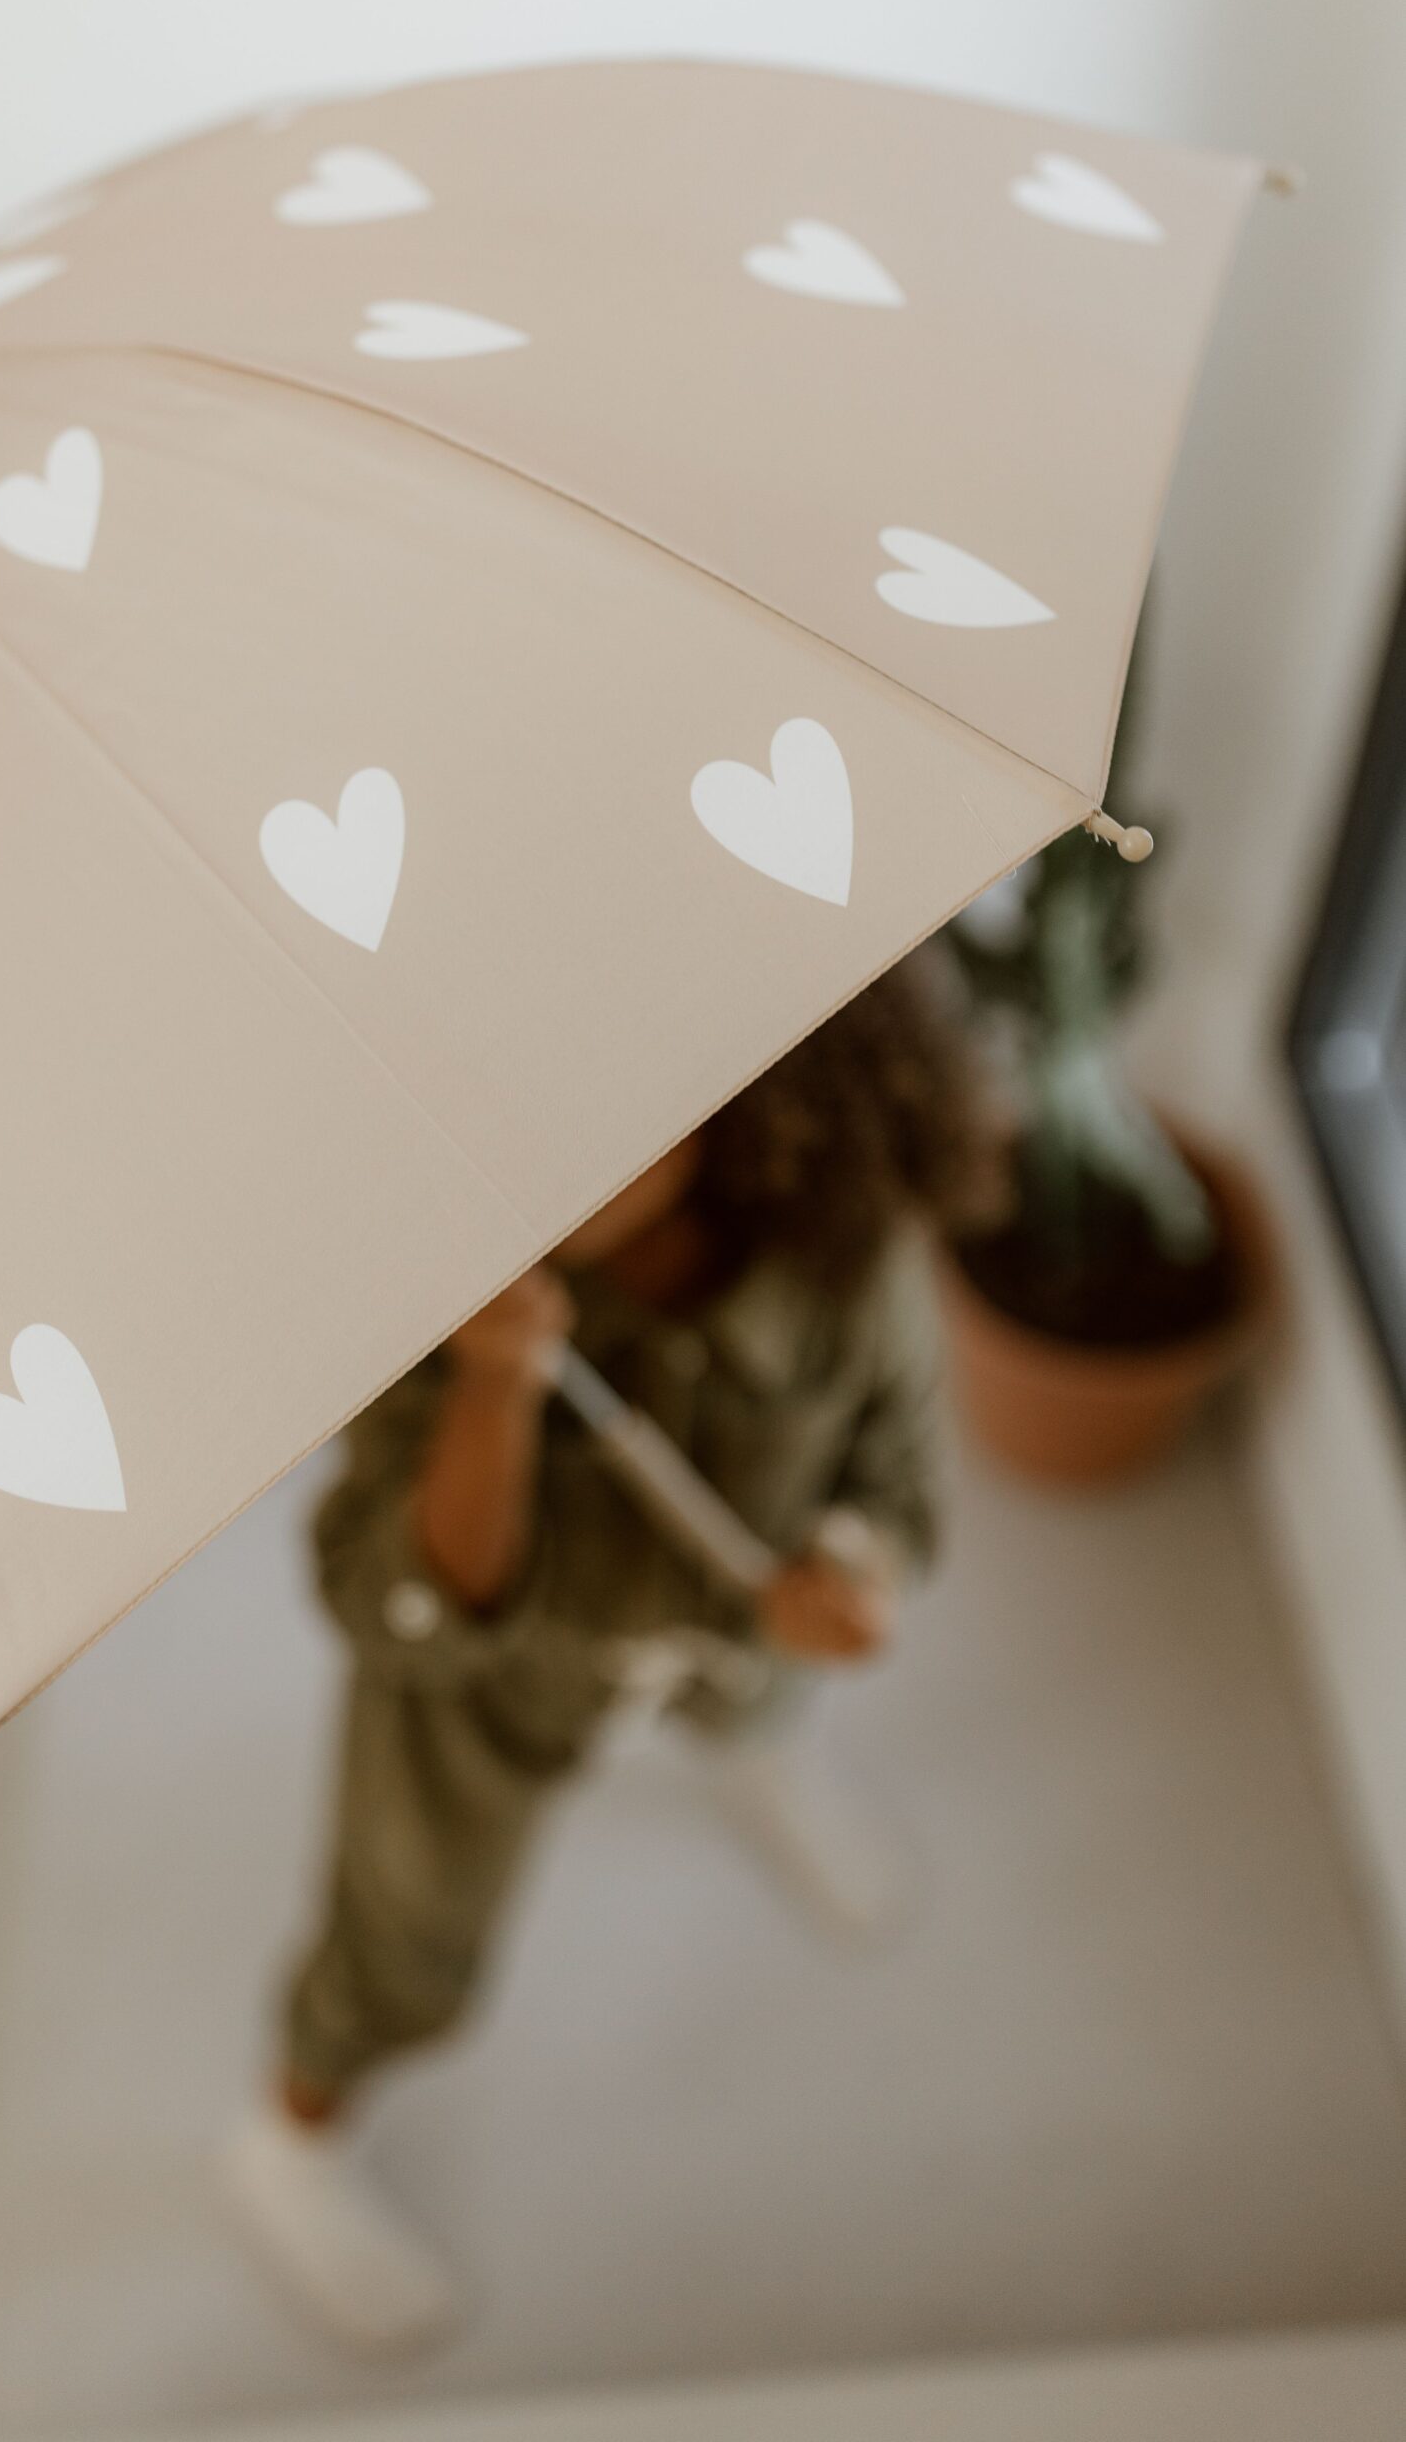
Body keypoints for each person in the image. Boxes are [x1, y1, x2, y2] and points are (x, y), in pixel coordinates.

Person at [223, 953, 1002, 2349]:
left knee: (754, 1699)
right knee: (405, 1919)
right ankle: (292, 2142)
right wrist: (492, 1392)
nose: (541, 1173)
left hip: (735, 1635)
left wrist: (864, 1566)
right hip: (484, 1689)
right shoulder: (446, 1293)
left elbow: (896, 1457)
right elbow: (383, 1600)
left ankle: (759, 1758)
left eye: (600, 1124)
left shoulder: (844, 1243)